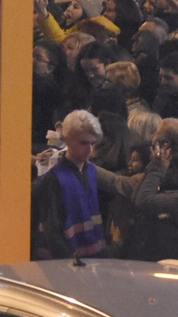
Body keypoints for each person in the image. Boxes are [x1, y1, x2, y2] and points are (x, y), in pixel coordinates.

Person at [32, 110, 133, 258]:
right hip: (68, 258)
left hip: (92, 253)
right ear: (67, 140)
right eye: (83, 143)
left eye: (93, 143)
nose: (90, 149)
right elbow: (52, 231)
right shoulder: (54, 179)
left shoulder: (90, 171)